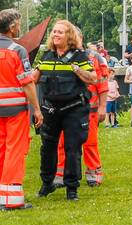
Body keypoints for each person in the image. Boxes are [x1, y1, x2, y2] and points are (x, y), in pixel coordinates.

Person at [0, 9, 42, 211]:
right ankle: (11, 199)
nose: (20, 27)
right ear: (12, 27)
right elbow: (27, 83)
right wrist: (37, 110)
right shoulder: (17, 51)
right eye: (18, 24)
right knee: (15, 150)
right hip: (16, 110)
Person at [33, 19, 97, 201]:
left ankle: (72, 188)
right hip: (51, 110)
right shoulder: (46, 56)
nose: (55, 34)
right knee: (47, 148)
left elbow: (93, 78)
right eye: (54, 31)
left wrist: (77, 71)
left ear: (69, 36)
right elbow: (33, 79)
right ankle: (47, 184)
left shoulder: (79, 56)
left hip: (74, 109)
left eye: (60, 32)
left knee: (72, 149)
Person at [54, 39, 109, 187]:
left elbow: (102, 83)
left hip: (89, 108)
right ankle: (61, 173)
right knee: (62, 142)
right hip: (66, 109)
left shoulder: (95, 57)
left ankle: (93, 171)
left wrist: (103, 107)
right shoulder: (60, 57)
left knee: (90, 141)